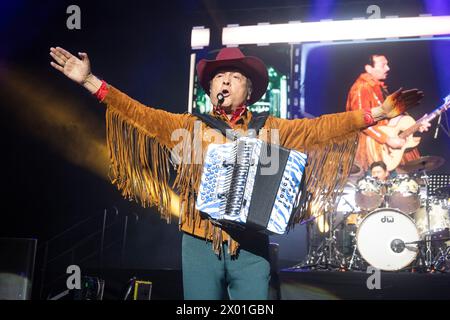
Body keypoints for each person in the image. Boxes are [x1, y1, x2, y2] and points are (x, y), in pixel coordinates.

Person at [49, 46, 426, 300]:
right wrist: (88, 81)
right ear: (210, 87)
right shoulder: (188, 125)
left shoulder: (271, 127)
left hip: (252, 246)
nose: (225, 81)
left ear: (250, 89)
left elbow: (323, 128)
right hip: (198, 240)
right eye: (219, 77)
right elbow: (136, 112)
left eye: (234, 76)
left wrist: (376, 115)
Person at [346, 54, 429, 173]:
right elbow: (361, 121)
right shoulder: (361, 88)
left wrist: (415, 125)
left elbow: (391, 120)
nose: (388, 68)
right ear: (369, 68)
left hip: (387, 144)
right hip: (373, 147)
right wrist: (387, 139)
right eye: (383, 65)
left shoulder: (378, 87)